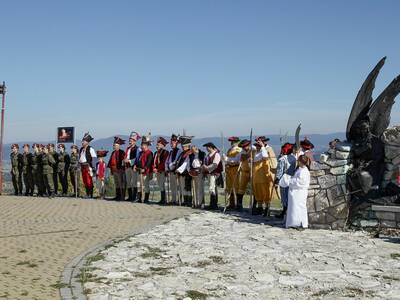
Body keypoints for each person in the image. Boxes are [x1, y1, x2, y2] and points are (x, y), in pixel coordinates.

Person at [279, 154, 311, 229]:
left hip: (299, 192)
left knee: (299, 207)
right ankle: (293, 223)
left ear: (300, 162)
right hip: (295, 192)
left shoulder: (304, 171)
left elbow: (300, 182)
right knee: (294, 208)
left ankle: (301, 223)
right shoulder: (300, 169)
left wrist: (289, 180)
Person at [251, 137, 274, 216]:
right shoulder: (255, 153)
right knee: (258, 192)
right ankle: (260, 208)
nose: (257, 147)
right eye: (256, 146)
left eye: (258, 146)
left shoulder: (264, 152)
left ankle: (267, 208)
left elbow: (265, 156)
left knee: (265, 192)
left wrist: (263, 146)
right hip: (256, 176)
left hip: (263, 176)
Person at [275, 143, 297, 219]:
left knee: (284, 196)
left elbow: (280, 170)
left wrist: (277, 180)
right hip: (292, 179)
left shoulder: (283, 159)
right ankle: (286, 211)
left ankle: (285, 212)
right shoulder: (294, 158)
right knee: (289, 196)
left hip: (284, 179)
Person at [202, 142, 223, 210]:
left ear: (211, 147)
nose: (206, 148)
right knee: (212, 188)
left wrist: (207, 168)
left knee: (212, 188)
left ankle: (214, 205)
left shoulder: (216, 154)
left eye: (207, 147)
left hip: (214, 173)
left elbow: (215, 164)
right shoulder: (209, 155)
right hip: (209, 173)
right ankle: (212, 204)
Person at [223, 136, 242, 210]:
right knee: (229, 187)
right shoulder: (229, 150)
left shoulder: (239, 150)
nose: (232, 143)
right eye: (231, 141)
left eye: (233, 142)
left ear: (237, 142)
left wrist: (227, 159)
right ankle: (231, 204)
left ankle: (237, 204)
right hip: (229, 169)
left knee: (236, 186)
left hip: (235, 169)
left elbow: (237, 160)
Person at [175, 136, 194, 206]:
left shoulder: (190, 152)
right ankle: (185, 200)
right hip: (181, 173)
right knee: (183, 187)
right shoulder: (182, 153)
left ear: (188, 145)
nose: (183, 147)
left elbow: (186, 163)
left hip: (187, 173)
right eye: (182, 146)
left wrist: (179, 170)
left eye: (184, 146)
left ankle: (189, 201)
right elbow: (178, 162)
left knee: (188, 187)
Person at [135, 134, 154, 203]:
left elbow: (149, 163)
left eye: (143, 145)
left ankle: (146, 199)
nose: (142, 146)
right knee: (139, 185)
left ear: (146, 146)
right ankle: (139, 198)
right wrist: (135, 166)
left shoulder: (150, 153)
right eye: (141, 145)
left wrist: (144, 168)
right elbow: (137, 161)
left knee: (146, 185)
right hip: (139, 171)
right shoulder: (140, 153)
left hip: (146, 172)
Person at [124, 131, 141, 202]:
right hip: (127, 167)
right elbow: (125, 156)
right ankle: (130, 196)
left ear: (135, 141)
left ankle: (134, 197)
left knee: (134, 182)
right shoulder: (128, 148)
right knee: (128, 182)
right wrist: (124, 160)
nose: (130, 142)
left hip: (133, 167)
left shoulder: (138, 149)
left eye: (131, 141)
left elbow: (137, 158)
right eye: (130, 140)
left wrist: (129, 161)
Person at [108, 137, 126, 201]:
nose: (114, 146)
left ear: (118, 146)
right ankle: (117, 196)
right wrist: (111, 170)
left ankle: (122, 197)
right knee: (117, 183)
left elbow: (123, 161)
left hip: (120, 170)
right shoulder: (113, 153)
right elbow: (110, 161)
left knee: (121, 183)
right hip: (114, 170)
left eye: (115, 145)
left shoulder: (122, 152)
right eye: (113, 145)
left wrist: (121, 169)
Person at [165, 134, 182, 205]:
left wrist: (171, 166)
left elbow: (176, 161)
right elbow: (167, 161)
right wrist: (167, 168)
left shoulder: (179, 151)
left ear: (176, 143)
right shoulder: (171, 152)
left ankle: (179, 200)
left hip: (176, 171)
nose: (171, 144)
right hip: (170, 171)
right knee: (172, 186)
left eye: (173, 143)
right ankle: (173, 199)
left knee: (178, 186)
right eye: (171, 143)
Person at [79, 132, 97, 198]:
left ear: (87, 142)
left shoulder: (91, 149)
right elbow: (80, 158)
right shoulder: (81, 149)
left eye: (84, 141)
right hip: (82, 166)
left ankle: (90, 194)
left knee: (89, 180)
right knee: (84, 180)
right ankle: (87, 194)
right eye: (82, 141)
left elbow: (94, 158)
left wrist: (93, 167)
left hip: (88, 166)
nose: (82, 142)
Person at [153, 137, 169, 205]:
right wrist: (154, 168)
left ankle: (164, 199)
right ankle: (162, 199)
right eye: (157, 144)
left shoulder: (165, 152)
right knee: (160, 185)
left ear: (162, 145)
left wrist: (158, 169)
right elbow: (154, 162)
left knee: (162, 185)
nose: (157, 145)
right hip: (157, 171)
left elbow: (164, 162)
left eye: (158, 144)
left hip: (162, 171)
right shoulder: (155, 153)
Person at [236, 139, 252, 211]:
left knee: (254, 188)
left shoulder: (253, 150)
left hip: (252, 172)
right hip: (244, 171)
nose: (244, 148)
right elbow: (239, 158)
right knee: (241, 188)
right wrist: (246, 156)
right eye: (243, 147)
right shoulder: (242, 152)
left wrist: (249, 156)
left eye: (245, 146)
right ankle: (239, 204)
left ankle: (255, 205)